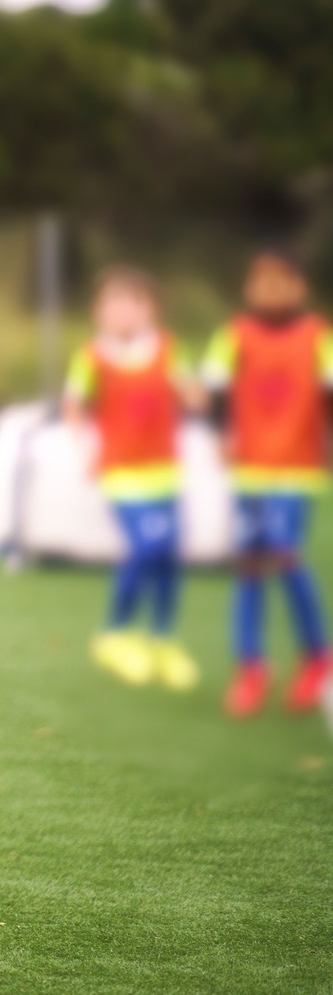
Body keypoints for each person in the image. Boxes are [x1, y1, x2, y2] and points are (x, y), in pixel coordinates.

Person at [202, 249, 333, 717]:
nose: (272, 290)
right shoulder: (233, 335)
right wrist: (221, 435)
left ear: (300, 287)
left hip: (297, 466)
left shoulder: (318, 335)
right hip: (250, 468)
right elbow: (215, 389)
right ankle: (251, 666)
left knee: (284, 551)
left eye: (283, 281)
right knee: (249, 564)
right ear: (248, 289)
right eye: (263, 281)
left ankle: (317, 656)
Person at [62, 267, 203, 692]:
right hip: (121, 471)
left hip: (165, 471)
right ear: (99, 311)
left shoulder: (169, 349)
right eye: (114, 303)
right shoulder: (91, 356)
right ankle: (115, 634)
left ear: (151, 310)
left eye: (133, 303)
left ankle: (163, 638)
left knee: (169, 555)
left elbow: (192, 396)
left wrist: (196, 394)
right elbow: (73, 405)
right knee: (146, 547)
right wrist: (83, 448)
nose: (123, 312)